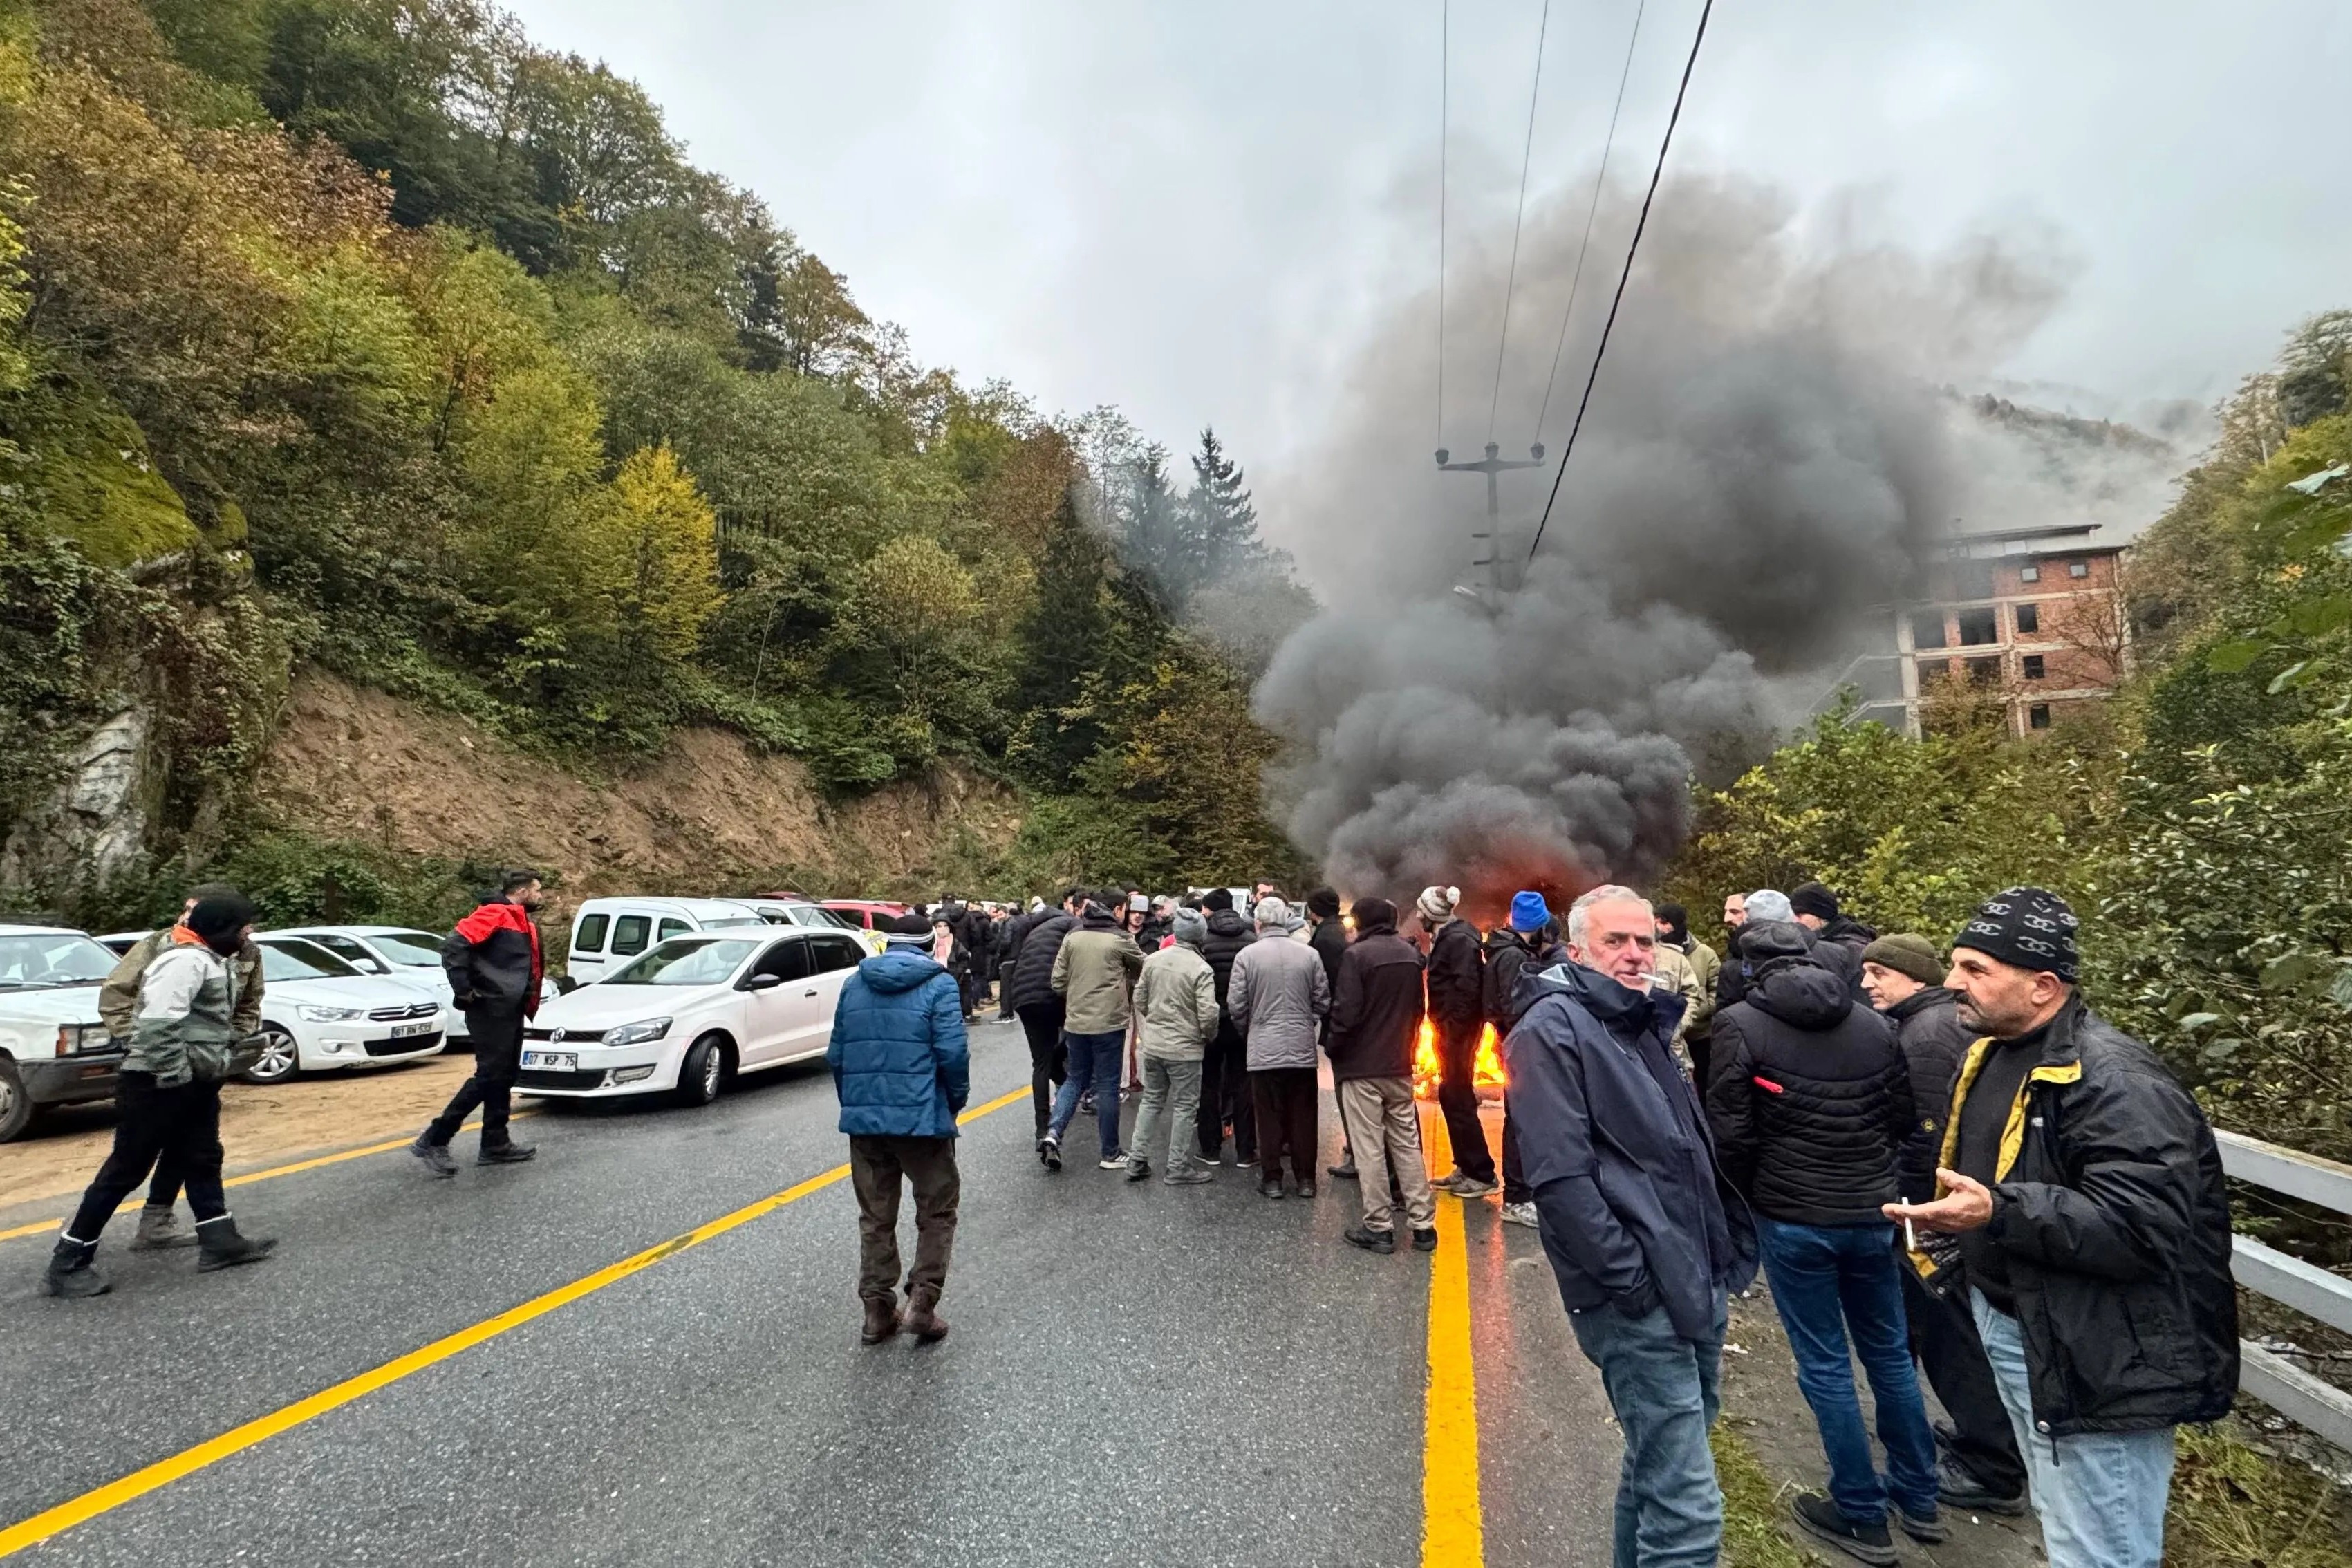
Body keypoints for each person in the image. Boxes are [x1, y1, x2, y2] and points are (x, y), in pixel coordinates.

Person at [1887, 888, 2238, 1568]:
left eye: (1975, 969)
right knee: (2062, 1510)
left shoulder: (2117, 1082)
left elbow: (2146, 1228)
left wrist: (1997, 1212)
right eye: (1956, 964)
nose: (1953, 982)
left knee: (2101, 1545)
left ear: (2044, 985)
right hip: (2024, 1323)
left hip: (2098, 1358)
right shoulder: (1994, 1051)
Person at [1505, 885, 1756, 1568]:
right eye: (1617, 941)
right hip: (1640, 1298)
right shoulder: (1553, 1029)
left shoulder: (1636, 1018)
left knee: (1659, 1471)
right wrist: (1632, 1284)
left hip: (1692, 1278)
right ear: (1578, 947)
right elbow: (1561, 1181)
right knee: (1690, 1510)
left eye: (1645, 940)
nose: (1636, 954)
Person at [1706, 920, 1941, 1562]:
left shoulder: (1739, 1025)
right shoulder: (1872, 1021)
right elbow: (1901, 1117)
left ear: (1748, 965)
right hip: (1873, 1212)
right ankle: (1920, 1495)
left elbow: (1731, 1132)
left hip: (1794, 1219)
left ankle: (1861, 1512)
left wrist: (1753, 1198)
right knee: (1890, 1354)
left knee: (1826, 1363)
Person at [1860, 933, 2027, 1518]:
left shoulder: (1927, 1035)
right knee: (1947, 1329)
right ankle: (1978, 1442)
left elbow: (1930, 1136)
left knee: (1951, 1334)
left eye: (1879, 972)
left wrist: (1912, 1210)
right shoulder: (1932, 1023)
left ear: (1914, 977)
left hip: (1931, 1213)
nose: (1867, 983)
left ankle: (1993, 1468)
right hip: (1942, 1211)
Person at [46, 892, 277, 1296]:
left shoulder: (210, 959)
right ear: (223, 928)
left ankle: (219, 1242)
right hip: (159, 1084)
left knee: (203, 1157)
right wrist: (176, 1078)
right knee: (128, 1168)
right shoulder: (184, 961)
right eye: (244, 927)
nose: (249, 933)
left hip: (193, 1081)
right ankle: (69, 1261)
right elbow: (156, 1026)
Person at [96, 883, 264, 1250]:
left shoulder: (242, 949)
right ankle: (72, 1253)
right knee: (133, 1161)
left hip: (203, 1067)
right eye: (187, 909)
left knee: (196, 1150)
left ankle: (183, 1229)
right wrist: (146, 1046)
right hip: (162, 1067)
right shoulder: (166, 948)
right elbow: (118, 996)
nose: (187, 918)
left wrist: (224, 1041)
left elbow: (249, 1002)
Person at [828, 940, 969, 1345]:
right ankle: (922, 1303)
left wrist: (855, 1102)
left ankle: (876, 1309)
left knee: (875, 1215)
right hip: (921, 1119)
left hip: (865, 1121)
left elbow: (837, 1054)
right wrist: (952, 1103)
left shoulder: (855, 984)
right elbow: (953, 1054)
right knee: (937, 1208)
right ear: (928, 947)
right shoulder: (939, 985)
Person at [413, 870, 545, 1175]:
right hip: (490, 1008)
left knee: (505, 1074)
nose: (541, 896)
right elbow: (453, 946)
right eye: (537, 890)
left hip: (509, 1008)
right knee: (489, 1075)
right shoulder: (495, 914)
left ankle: (496, 1144)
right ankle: (435, 1138)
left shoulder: (518, 919)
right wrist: (466, 991)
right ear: (523, 891)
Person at [1325, 897, 1437, 1254]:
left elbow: (1346, 1011)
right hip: (1398, 1064)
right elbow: (1418, 1010)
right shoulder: (1408, 954)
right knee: (1407, 1143)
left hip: (1362, 1067)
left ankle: (1379, 1227)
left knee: (1369, 1147)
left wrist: (1333, 1046)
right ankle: (1423, 1225)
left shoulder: (1357, 956)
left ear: (1361, 920)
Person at [1228, 896, 1330, 1200]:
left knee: (1268, 1114)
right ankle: (1306, 1180)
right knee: (1303, 1114)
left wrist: (1251, 1031)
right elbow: (1322, 999)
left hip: (1263, 1049)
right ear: (1286, 920)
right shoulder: (1309, 955)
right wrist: (1305, 1021)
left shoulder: (1247, 956)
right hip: (1301, 1049)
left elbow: (1236, 1005)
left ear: (1258, 923)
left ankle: (1272, 1179)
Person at [1042, 891, 1144, 1171]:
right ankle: (1110, 1152)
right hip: (1109, 1023)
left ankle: (1053, 1133)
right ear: (1117, 912)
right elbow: (1143, 969)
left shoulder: (1072, 939)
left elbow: (1057, 982)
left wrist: (1078, 993)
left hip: (1076, 1022)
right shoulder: (1121, 940)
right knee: (1108, 1086)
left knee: (1075, 1079)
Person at [1127, 907, 1220, 1184]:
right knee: (1184, 1106)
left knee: (1152, 1101)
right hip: (1185, 1048)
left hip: (1154, 1044)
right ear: (1200, 935)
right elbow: (1208, 1013)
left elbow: (1140, 998)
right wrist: (1206, 1035)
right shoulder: (1201, 968)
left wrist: (1154, 1020)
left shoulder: (1154, 960)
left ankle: (1137, 1160)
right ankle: (1177, 1166)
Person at [1484, 891, 1559, 1229]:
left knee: (1520, 1117)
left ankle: (1522, 1192)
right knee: (1519, 1120)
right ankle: (1516, 1198)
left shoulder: (1504, 950)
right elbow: (1515, 1005)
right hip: (1519, 1044)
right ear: (1539, 926)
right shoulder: (1514, 956)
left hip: (1511, 1041)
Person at [1419, 885, 1495, 1197]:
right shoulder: (1451, 937)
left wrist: (1453, 1028)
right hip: (1451, 1030)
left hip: (1459, 1033)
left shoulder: (1459, 941)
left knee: (1460, 1097)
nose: (1420, 916)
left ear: (1432, 914)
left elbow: (1467, 988)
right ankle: (1465, 1166)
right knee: (1451, 1096)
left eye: (1422, 911)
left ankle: (1482, 1174)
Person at [1005, 890, 1079, 1139]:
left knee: (1040, 1063)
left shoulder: (1033, 930)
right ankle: (1070, 1083)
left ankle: (1041, 1128)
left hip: (1023, 996)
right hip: (1051, 993)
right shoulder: (1070, 923)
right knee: (1074, 1037)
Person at [1196, 888, 1258, 1169]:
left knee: (1209, 1084)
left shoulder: (1203, 939)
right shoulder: (1250, 939)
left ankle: (1210, 1149)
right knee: (1243, 1084)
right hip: (1242, 1021)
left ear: (1209, 910)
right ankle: (1246, 1151)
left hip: (1211, 1019)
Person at [1654, 904, 1721, 1091]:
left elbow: (1717, 993)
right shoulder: (1654, 954)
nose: (1658, 925)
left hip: (1699, 1034)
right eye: (1656, 919)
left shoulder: (1705, 954)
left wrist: (1697, 1014)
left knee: (1701, 1084)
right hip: (1670, 1039)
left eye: (1664, 921)